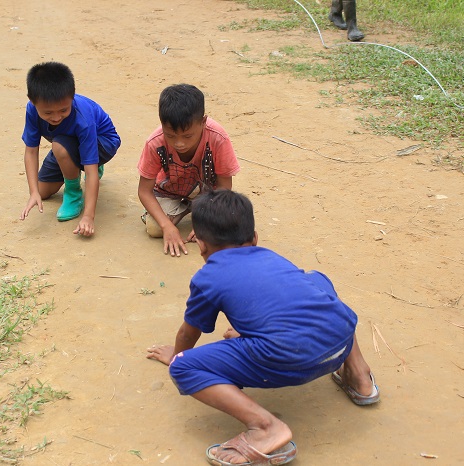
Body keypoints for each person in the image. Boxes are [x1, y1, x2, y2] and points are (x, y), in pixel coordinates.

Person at [147, 190, 380, 465]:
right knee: (316, 279)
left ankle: (266, 428)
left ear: (202, 246)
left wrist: (176, 355)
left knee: (184, 367)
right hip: (340, 341)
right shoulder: (271, 257)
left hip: (290, 359)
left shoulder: (208, 277)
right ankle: (360, 376)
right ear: (255, 238)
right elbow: (286, 306)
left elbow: (189, 332)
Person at [137, 84, 240, 257]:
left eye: (187, 136)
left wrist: (206, 223)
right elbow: (144, 191)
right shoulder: (155, 142)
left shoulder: (218, 138)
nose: (179, 143)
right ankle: (188, 207)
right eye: (170, 135)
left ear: (203, 122)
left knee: (230, 225)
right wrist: (167, 226)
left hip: (209, 195)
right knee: (155, 228)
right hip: (170, 191)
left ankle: (199, 208)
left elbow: (224, 186)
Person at [19, 61, 121, 236]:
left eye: (63, 110)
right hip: (67, 142)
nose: (56, 117)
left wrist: (88, 216)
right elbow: (31, 151)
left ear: (72, 97)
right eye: (48, 113)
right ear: (32, 101)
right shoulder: (32, 110)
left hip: (103, 142)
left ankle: (73, 194)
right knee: (42, 192)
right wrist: (33, 192)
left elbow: (90, 171)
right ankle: (69, 160)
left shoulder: (83, 118)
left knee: (60, 146)